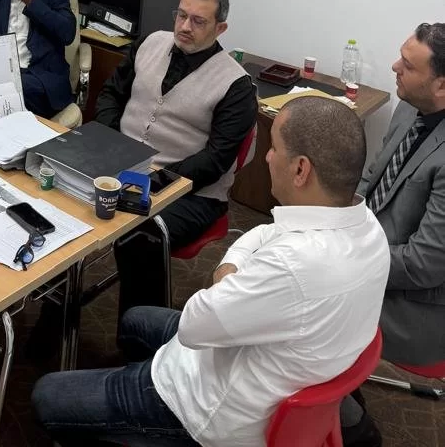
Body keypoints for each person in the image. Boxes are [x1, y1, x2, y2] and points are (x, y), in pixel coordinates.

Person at [32, 95, 390, 447]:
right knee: (135, 319)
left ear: (300, 169)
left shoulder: (293, 265)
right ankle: (131, 398)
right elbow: (264, 233)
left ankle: (144, 417)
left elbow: (193, 327)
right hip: (255, 356)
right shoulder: (366, 228)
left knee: (46, 395)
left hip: (209, 410)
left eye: (274, 148)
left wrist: (224, 277)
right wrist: (233, 270)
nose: (266, 156)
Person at [95, 0, 258, 314]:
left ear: (220, 28)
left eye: (198, 21)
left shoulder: (237, 86)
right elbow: (111, 94)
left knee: (141, 234)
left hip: (192, 192)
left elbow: (215, 161)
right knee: (62, 200)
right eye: (181, 15)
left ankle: (142, 334)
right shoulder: (149, 43)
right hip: (122, 164)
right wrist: (112, 144)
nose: (185, 26)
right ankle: (55, 317)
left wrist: (154, 179)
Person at [340, 21, 445, 447]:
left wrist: (351, 256)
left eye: (408, 65)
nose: (394, 67)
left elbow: (424, 264)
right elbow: (371, 180)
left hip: (416, 302)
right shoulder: (409, 108)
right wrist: (338, 221)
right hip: (374, 255)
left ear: (441, 85)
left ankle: (352, 426)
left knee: (311, 301)